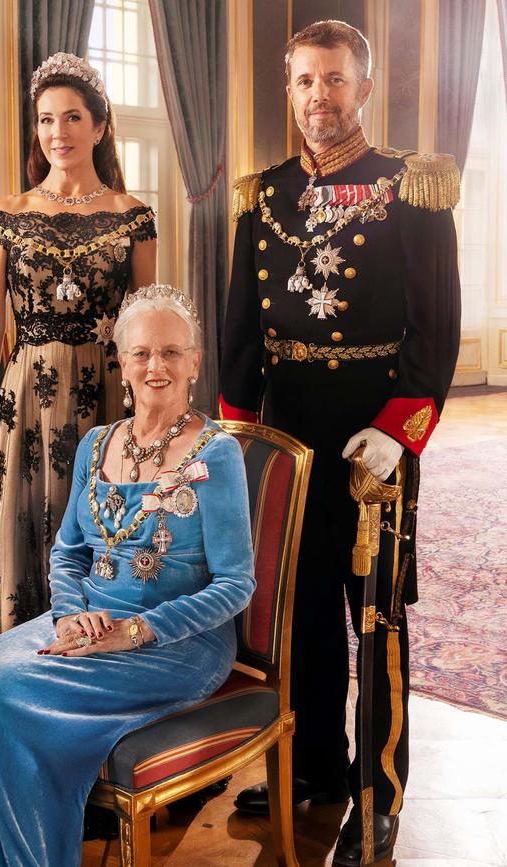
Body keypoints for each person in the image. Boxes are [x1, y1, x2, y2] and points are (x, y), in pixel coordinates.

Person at [0, 283, 256, 867]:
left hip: (175, 645)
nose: (156, 366)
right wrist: (71, 615)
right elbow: (68, 554)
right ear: (121, 362)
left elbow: (236, 585)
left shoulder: (215, 454)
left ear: (195, 362)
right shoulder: (95, 443)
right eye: (141, 353)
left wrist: (135, 632)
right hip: (84, 623)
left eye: (171, 352)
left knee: (1, 697)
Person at [220, 19, 461, 865]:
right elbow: (241, 328)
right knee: (301, 615)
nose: (318, 98)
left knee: (376, 615)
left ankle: (378, 791)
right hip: (288, 435)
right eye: (304, 82)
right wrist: (237, 431)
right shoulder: (265, 193)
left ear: (362, 87)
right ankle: (316, 766)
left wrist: (402, 431)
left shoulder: (413, 185)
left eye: (333, 80)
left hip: (372, 442)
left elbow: (436, 327)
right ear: (289, 91)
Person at [0, 53, 157, 640]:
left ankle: (98, 647)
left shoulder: (134, 218)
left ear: (100, 127)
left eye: (72, 118)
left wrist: (150, 420)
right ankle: (18, 658)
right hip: (23, 399)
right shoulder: (8, 215)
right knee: (20, 527)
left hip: (107, 398)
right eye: (46, 120)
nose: (58, 133)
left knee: (102, 524)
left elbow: (148, 327)